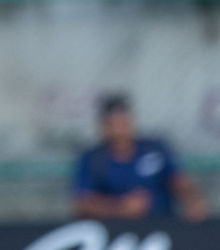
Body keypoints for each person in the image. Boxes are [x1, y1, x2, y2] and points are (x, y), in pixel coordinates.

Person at [72, 93, 207, 222]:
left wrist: (192, 199)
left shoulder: (155, 149)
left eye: (123, 124)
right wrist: (121, 208)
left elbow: (177, 180)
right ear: (103, 126)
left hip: (162, 226)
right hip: (116, 236)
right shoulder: (93, 159)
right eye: (112, 125)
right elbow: (83, 203)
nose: (118, 131)